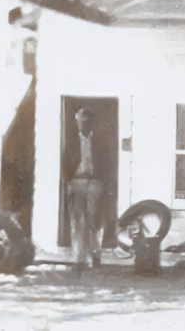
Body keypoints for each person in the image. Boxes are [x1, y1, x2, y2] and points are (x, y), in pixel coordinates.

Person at [65, 107, 105, 269]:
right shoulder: (71, 141)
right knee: (77, 221)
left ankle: (96, 255)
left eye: (85, 122)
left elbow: (108, 164)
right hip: (76, 181)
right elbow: (64, 162)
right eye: (79, 122)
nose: (81, 125)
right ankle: (79, 259)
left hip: (94, 182)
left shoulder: (100, 142)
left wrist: (102, 181)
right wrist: (69, 181)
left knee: (93, 220)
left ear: (91, 123)